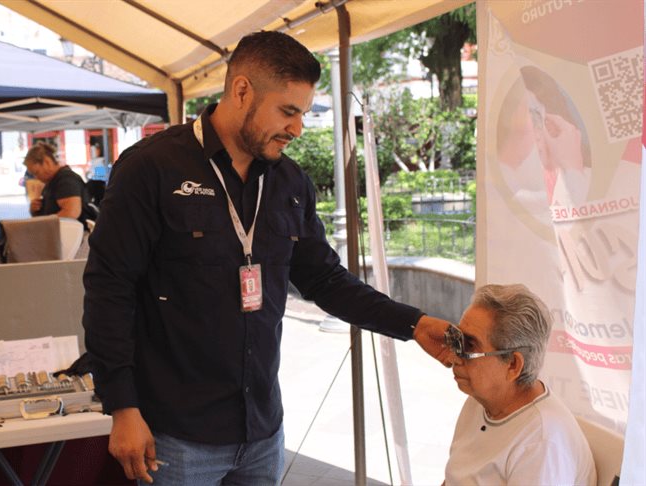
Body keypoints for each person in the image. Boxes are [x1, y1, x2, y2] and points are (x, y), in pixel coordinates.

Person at [83, 31, 453, 485]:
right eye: (288, 111)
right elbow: (108, 289)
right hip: (174, 437)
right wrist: (122, 406)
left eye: (302, 113)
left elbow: (326, 280)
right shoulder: (151, 168)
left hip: (261, 432)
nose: (297, 129)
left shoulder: (290, 183)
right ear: (242, 91)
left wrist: (413, 324)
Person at [444, 284, 596, 485]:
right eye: (456, 340)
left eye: (469, 346)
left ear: (513, 365)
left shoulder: (542, 441)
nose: (453, 356)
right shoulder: (480, 399)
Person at [23, 142, 89, 223]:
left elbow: (71, 212)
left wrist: (43, 225)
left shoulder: (66, 180)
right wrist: (34, 210)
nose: (37, 178)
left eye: (36, 172)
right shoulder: (52, 182)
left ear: (47, 162)